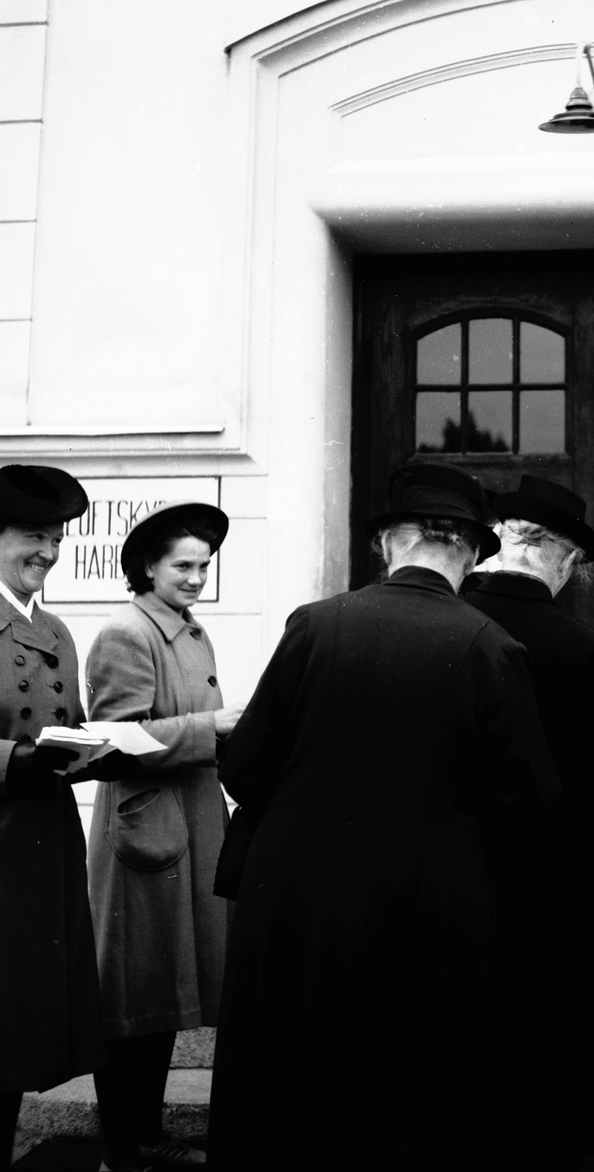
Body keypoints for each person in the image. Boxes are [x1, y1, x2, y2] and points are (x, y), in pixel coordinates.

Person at [208, 463, 559, 1170]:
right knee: (405, 1105)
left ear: (387, 544)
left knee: (287, 1103)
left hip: (296, 909)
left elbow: (243, 766)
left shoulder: (315, 624)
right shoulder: (492, 645)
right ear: (470, 552)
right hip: (425, 916)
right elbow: (528, 801)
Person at [464, 474, 594, 1169]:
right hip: (552, 882)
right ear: (563, 559)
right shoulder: (576, 644)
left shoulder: (447, 619)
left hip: (455, 873)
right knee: (550, 1044)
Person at [84, 501, 244, 1171]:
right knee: (134, 1002)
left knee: (161, 999)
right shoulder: (128, 632)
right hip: (146, 842)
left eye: (204, 566)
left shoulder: (186, 629)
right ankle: (126, 1148)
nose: (197, 578)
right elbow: (112, 742)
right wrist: (216, 727)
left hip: (184, 831)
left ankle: (144, 1137)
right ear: (148, 566)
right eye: (183, 566)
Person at [0, 465, 135, 1170]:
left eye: (56, 539)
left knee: (18, 1024)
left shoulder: (53, 628)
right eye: (33, 536)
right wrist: (12, 760)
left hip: (43, 848)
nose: (48, 552)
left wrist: (96, 755)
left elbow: (64, 729)